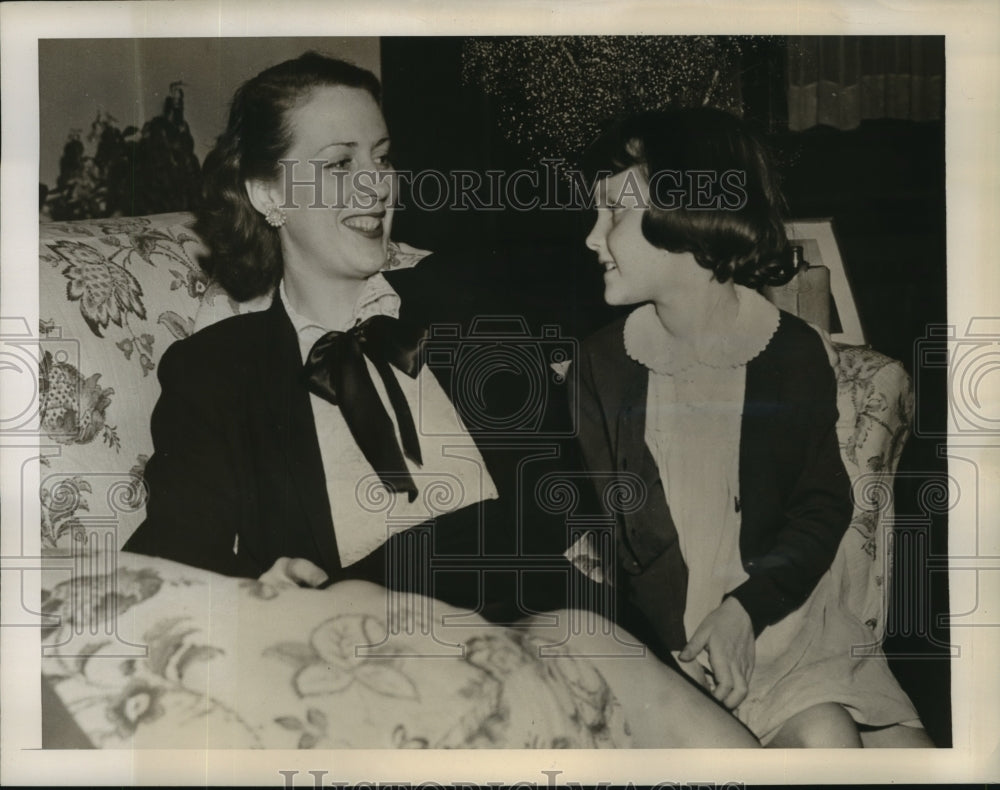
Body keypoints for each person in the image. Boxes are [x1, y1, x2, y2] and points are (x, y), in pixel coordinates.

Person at [123, 52, 581, 622]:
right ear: (268, 195)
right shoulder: (217, 371)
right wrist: (262, 591)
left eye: (382, 158)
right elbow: (170, 559)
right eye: (340, 164)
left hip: (549, 622)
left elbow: (568, 495)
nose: (376, 186)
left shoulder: (465, 302)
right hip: (371, 647)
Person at [573, 107, 932, 747]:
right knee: (825, 736)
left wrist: (745, 609)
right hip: (683, 649)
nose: (593, 237)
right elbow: (629, 547)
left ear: (690, 213)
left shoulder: (792, 350)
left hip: (791, 620)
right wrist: (681, 657)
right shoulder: (600, 368)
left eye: (615, 214)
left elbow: (821, 506)